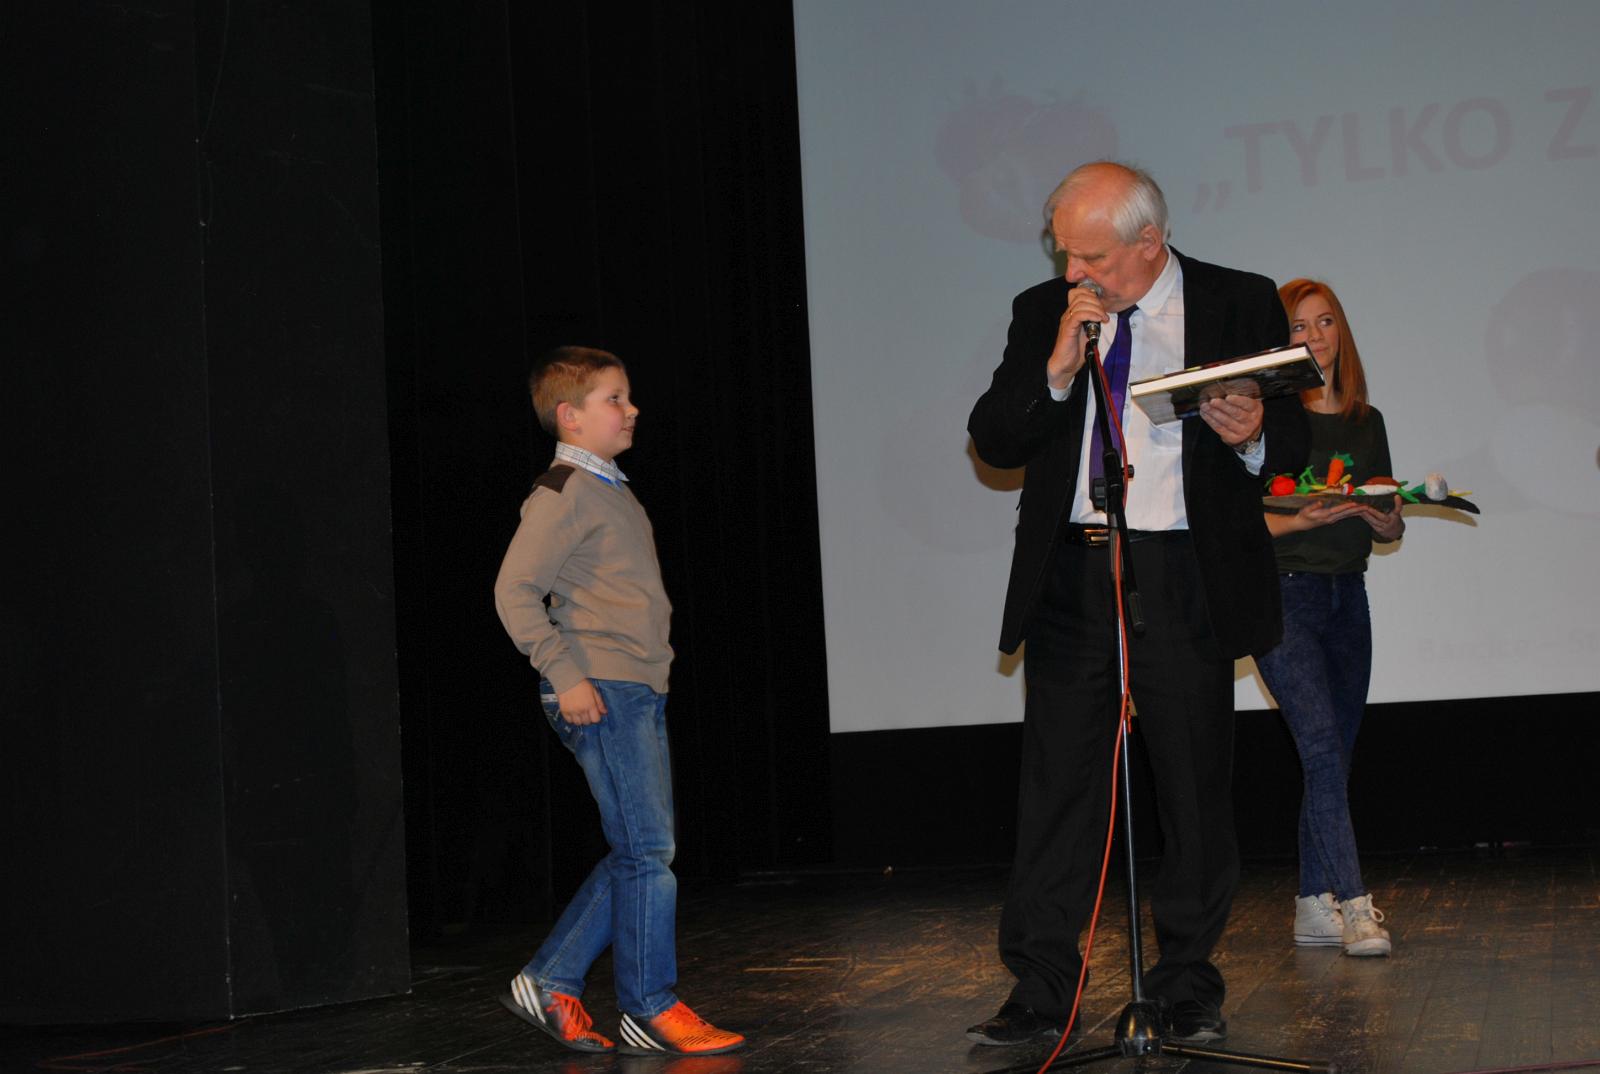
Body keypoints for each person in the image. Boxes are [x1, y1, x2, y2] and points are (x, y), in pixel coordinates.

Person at [965, 162, 1308, 1047]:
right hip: (1075, 574)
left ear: (1149, 242)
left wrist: (1254, 434)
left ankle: (1186, 984)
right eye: (1064, 254)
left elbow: (1294, 436)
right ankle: (1042, 988)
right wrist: (1053, 372)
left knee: (1192, 786)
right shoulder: (1044, 312)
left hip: (1185, 573)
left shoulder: (1237, 299)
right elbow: (994, 437)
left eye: (1091, 257)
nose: (1073, 273)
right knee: (1059, 788)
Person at [492, 346, 745, 1057]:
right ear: (569, 415)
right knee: (647, 852)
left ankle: (550, 980)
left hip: (633, 686)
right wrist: (565, 674)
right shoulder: (564, 491)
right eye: (615, 399)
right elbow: (514, 590)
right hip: (599, 685)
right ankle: (649, 1006)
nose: (632, 409)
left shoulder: (611, 490)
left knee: (642, 850)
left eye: (628, 397)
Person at [1256, 279, 1401, 957]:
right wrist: (1300, 522)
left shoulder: (1367, 421)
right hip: (1284, 596)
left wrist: (1387, 520)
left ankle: (1313, 903)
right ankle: (1355, 905)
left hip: (1349, 596)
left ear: (1342, 331)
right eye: (1298, 326)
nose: (1314, 337)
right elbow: (1237, 524)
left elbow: (1386, 521)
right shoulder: (1265, 418)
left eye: (1325, 322)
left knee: (1332, 755)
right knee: (1319, 747)